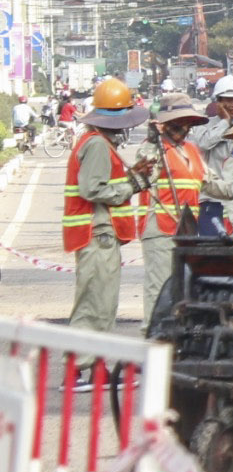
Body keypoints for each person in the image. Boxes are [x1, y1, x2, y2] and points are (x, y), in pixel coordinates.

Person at [61, 76, 149, 332]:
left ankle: (92, 367)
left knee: (102, 305)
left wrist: (131, 178)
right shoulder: (98, 145)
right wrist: (132, 186)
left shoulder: (99, 142)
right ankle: (80, 366)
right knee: (94, 308)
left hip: (98, 236)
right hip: (97, 235)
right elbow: (93, 189)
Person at [135, 98, 208, 315]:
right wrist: (153, 144)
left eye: (186, 122)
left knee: (181, 290)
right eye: (176, 122)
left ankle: (173, 342)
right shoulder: (152, 149)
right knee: (159, 289)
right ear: (164, 124)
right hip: (160, 228)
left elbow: (209, 182)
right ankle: (152, 338)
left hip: (185, 231)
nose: (181, 127)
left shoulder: (191, 150)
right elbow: (144, 176)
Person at [192, 74, 233, 231]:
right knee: (210, 251)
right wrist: (225, 122)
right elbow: (203, 143)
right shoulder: (203, 126)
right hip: (213, 200)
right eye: (229, 100)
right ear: (218, 101)